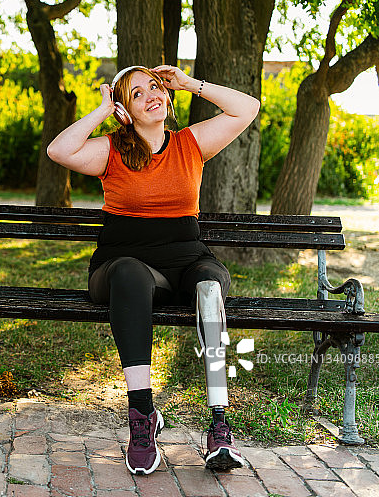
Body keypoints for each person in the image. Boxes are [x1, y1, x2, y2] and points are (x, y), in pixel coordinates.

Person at [47, 65, 260, 475]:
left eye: (156, 87)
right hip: (123, 269)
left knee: (210, 287)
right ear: (124, 109)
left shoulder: (190, 143)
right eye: (137, 94)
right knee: (130, 272)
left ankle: (219, 425)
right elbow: (60, 151)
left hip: (186, 264)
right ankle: (142, 416)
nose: (151, 96)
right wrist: (102, 110)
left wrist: (189, 83)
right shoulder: (110, 150)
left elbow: (247, 108)